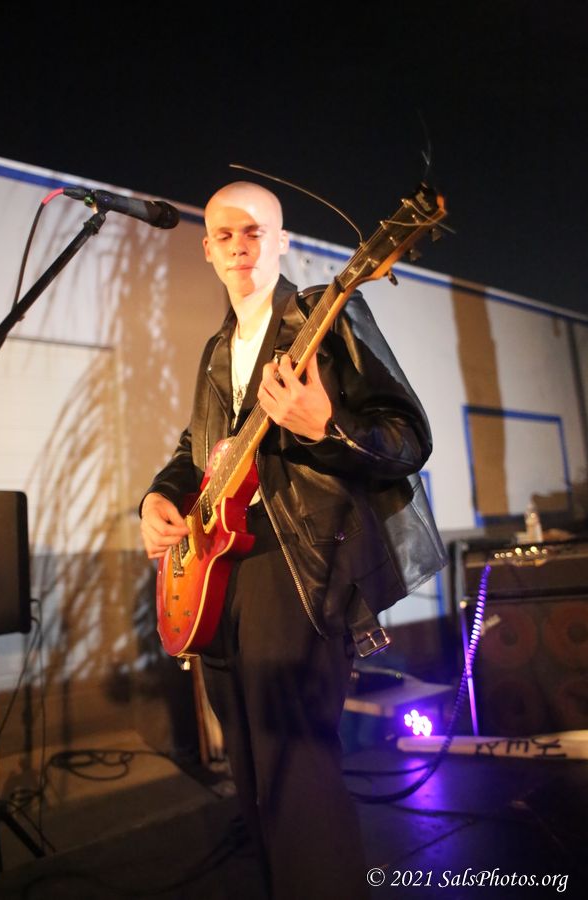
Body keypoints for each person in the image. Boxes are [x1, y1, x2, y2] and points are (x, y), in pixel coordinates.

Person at [140, 181, 446, 900]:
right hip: (220, 572)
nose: (239, 246)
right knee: (252, 775)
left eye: (255, 232)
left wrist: (325, 427)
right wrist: (158, 494)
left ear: (281, 241)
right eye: (225, 234)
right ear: (206, 249)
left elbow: (409, 437)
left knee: (298, 775)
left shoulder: (325, 315)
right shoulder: (218, 350)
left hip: (300, 567)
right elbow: (196, 450)